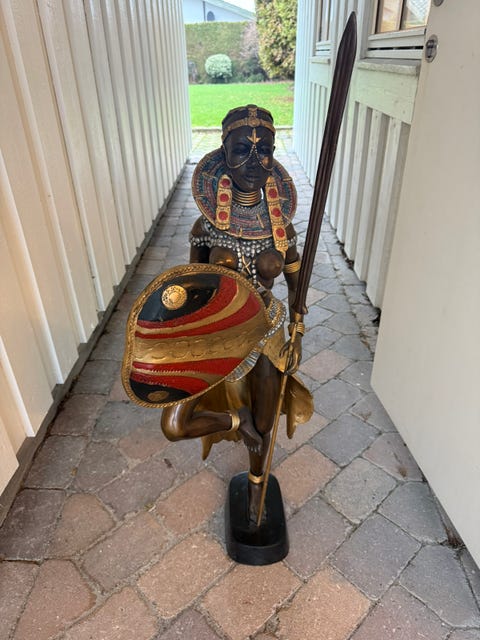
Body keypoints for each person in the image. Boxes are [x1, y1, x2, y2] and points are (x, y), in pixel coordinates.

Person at [160, 105, 313, 522]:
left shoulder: (282, 229)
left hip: (266, 332)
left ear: (274, 156)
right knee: (175, 424)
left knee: (265, 422)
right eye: (242, 149)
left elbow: (296, 288)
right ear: (224, 153)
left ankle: (257, 481)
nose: (253, 161)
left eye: (264, 151)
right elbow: (190, 288)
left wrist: (298, 331)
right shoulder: (206, 227)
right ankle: (233, 419)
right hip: (217, 331)